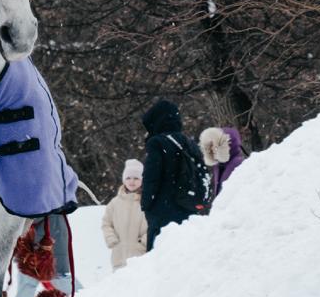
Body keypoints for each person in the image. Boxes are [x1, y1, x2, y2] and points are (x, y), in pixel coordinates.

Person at [140, 99, 205, 249]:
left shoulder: (157, 143)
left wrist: (146, 205)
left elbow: (151, 178)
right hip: (188, 208)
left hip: (163, 212)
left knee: (159, 261)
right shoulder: (189, 143)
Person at [102, 159, 146, 268]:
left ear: (142, 180)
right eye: (128, 178)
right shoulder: (115, 203)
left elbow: (153, 224)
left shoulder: (146, 203)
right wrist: (112, 240)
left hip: (140, 257)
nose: (132, 181)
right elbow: (106, 223)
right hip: (119, 257)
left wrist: (144, 242)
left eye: (136, 178)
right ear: (123, 180)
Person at [199, 126, 246, 201]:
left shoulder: (238, 164)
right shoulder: (218, 165)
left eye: (214, 146)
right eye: (210, 147)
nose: (212, 150)